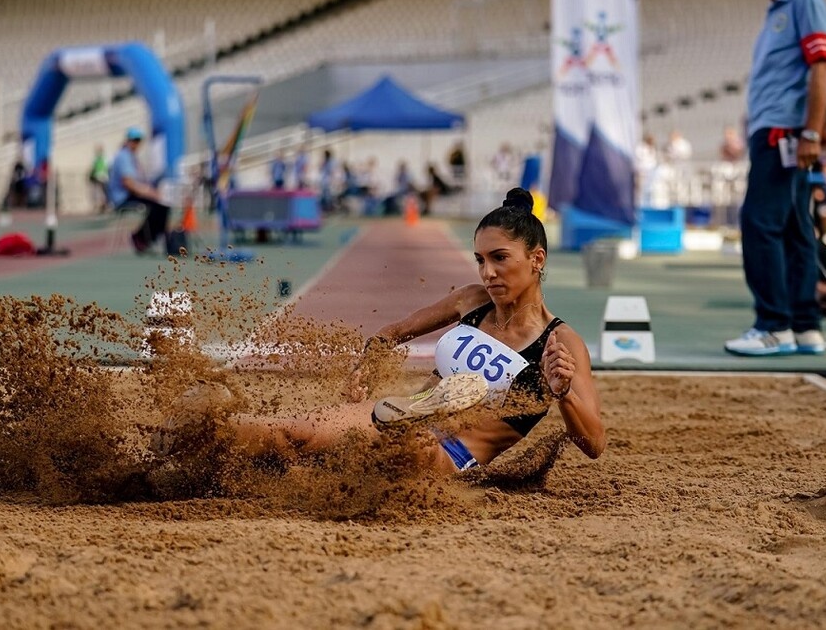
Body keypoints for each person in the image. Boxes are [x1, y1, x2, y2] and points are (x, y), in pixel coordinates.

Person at [166, 188, 606, 474]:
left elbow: (594, 444)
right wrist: (366, 370)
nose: (487, 272)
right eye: (480, 260)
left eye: (500, 258)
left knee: (378, 455)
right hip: (395, 415)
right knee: (293, 434)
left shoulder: (559, 343)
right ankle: (192, 441)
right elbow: (389, 335)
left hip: (445, 454)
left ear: (537, 259)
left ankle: (401, 425)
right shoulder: (473, 301)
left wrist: (563, 393)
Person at [725, 0, 826, 357]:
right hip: (778, 131)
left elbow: (821, 66)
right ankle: (805, 326)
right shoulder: (777, 10)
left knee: (759, 223)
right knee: (794, 229)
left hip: (784, 132)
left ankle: (773, 325)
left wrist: (812, 131)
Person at [106, 127, 169, 254]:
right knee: (159, 206)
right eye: (134, 140)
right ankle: (142, 237)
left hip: (130, 194)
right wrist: (150, 192)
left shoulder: (131, 157)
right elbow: (128, 183)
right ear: (128, 140)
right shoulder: (124, 156)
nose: (136, 143)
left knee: (162, 205)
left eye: (138, 140)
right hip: (123, 197)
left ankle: (150, 237)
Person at [88, 145, 110, 213]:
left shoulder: (103, 159)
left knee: (102, 192)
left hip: (102, 177)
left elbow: (106, 168)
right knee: (99, 192)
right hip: (98, 177)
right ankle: (100, 205)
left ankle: (103, 204)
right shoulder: (97, 159)